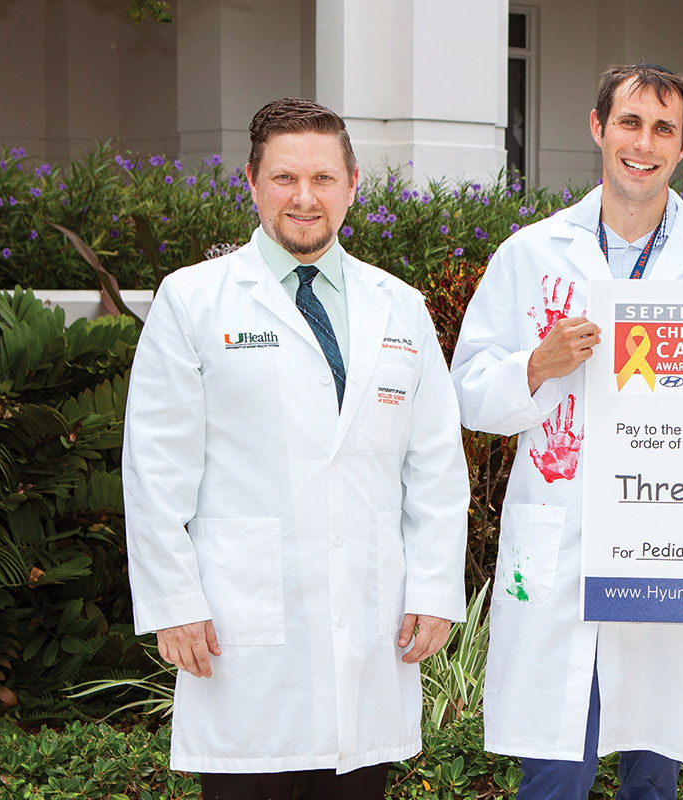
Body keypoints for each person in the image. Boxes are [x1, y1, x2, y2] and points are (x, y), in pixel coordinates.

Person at [124, 97, 472, 799]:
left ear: (352, 186)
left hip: (371, 624)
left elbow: (434, 463)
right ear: (251, 182)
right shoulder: (193, 300)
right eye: (284, 178)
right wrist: (172, 600)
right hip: (242, 626)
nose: (304, 198)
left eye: (323, 178)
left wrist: (435, 588)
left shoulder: (399, 307)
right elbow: (156, 467)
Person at [449, 64, 683, 800]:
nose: (643, 143)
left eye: (663, 129)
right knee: (554, 775)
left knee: (654, 774)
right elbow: (468, 394)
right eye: (629, 123)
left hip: (670, 548)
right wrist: (536, 365)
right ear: (598, 128)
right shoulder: (530, 255)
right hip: (563, 546)